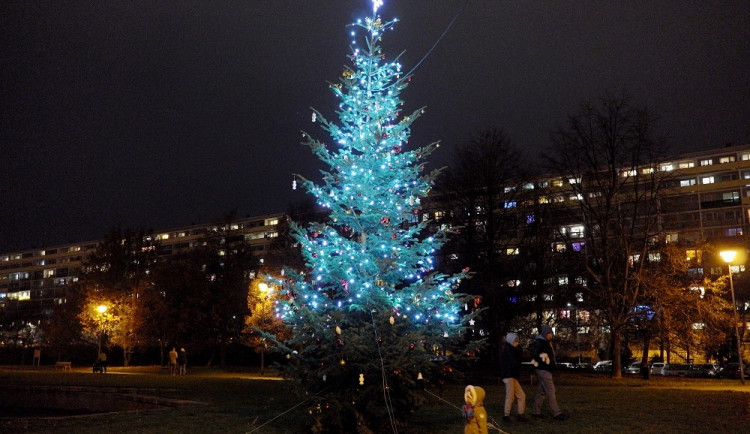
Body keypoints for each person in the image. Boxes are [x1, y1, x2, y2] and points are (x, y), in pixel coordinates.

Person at [531, 325, 568, 421]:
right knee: (551, 390)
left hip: (545, 369)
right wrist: (545, 361)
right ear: (545, 333)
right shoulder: (540, 343)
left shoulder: (545, 342)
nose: (551, 335)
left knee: (542, 391)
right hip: (544, 369)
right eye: (549, 333)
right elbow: (536, 355)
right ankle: (556, 413)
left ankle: (535, 411)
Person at [500, 332, 528, 423]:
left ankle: (520, 414)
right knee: (510, 396)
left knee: (521, 395)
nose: (517, 343)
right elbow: (513, 363)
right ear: (511, 341)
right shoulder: (507, 350)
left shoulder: (512, 350)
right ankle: (506, 416)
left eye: (517, 341)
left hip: (512, 375)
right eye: (515, 341)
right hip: (508, 376)